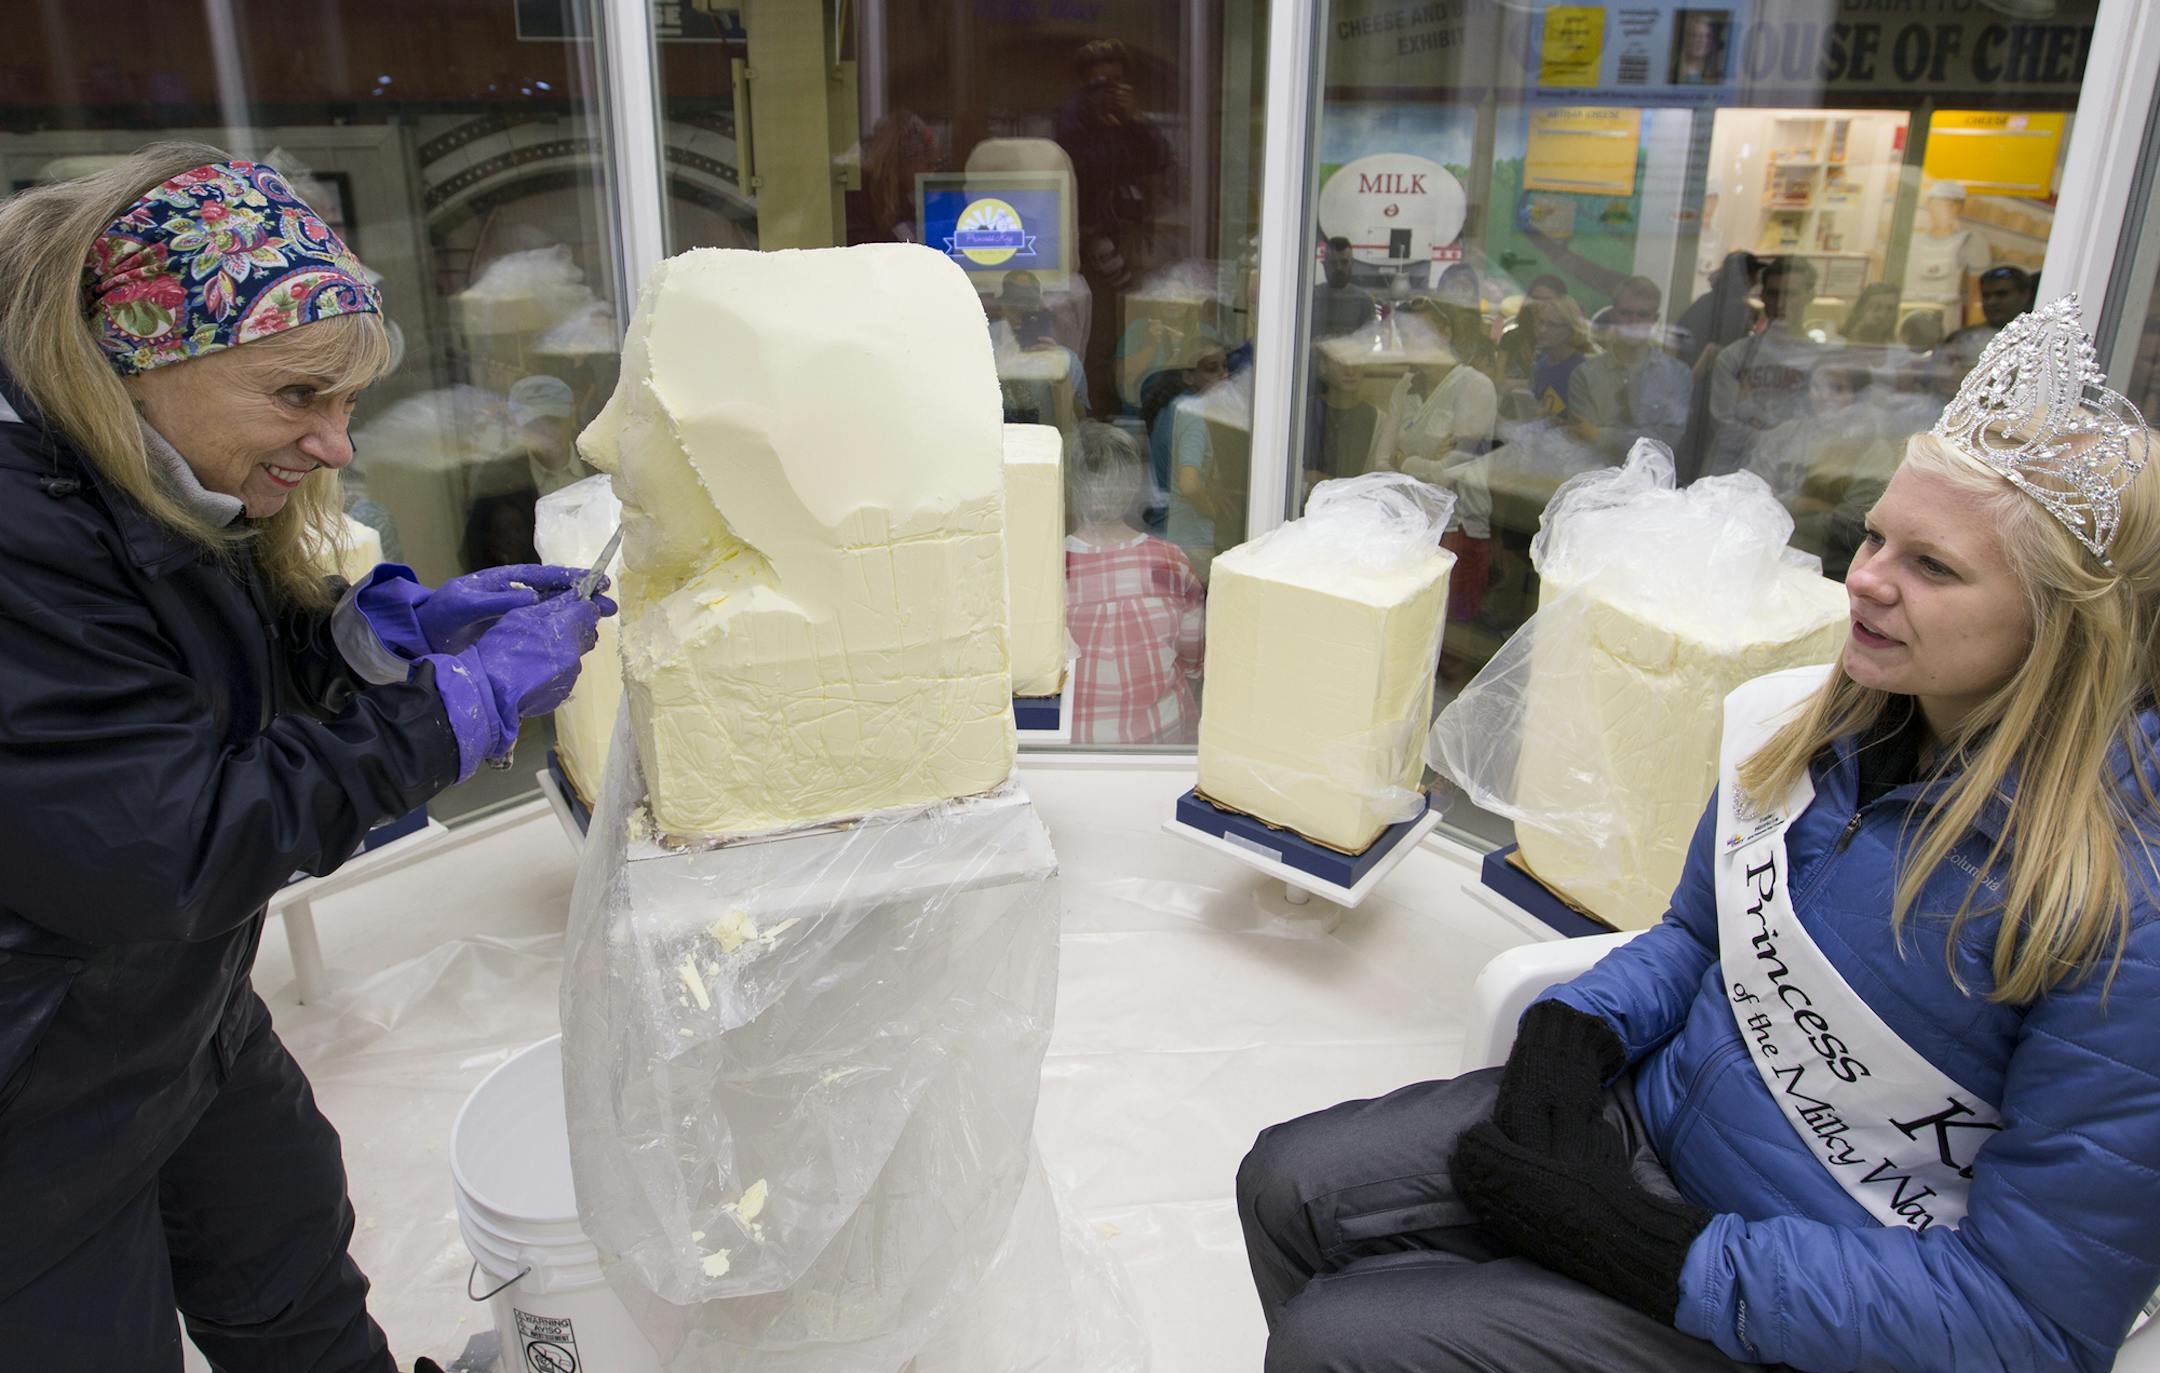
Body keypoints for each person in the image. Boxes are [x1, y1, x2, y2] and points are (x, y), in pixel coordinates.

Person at [1238, 296, 2160, 1373]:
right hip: (1655, 1124)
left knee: (1334, 1343)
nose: (1865, 576)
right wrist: (1570, 1035)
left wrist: (1656, 1253)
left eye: (1934, 566)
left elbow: (2032, 1326)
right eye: (1874, 533)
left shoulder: (2122, 910)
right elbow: (1695, 935)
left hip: (1813, 1293)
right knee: (1288, 1180)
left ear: (2064, 624)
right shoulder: (1820, 723)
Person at [0, 146, 614, 1372]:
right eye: (297, 397)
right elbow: (169, 844)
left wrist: (363, 638)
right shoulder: (19, 538)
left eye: (345, 402)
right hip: (35, 1084)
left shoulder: (137, 461)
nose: (335, 445)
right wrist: (450, 714)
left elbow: (175, 674)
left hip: (168, 1005)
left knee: (286, 1261)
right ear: (138, 356)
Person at [1063, 421, 1206, 745]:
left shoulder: (1050, 568)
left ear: (1068, 486)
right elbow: (1194, 659)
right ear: (1132, 487)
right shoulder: (1168, 562)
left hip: (1072, 747)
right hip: (1163, 743)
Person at [1056, 37, 1173, 409]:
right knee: (1100, 333)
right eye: (1098, 83)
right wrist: (1089, 118)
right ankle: (1098, 413)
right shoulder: (1073, 122)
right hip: (1092, 244)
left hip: (1130, 238)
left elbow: (1159, 160)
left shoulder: (1128, 124)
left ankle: (1130, 406)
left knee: (1138, 327)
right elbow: (1077, 174)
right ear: (1083, 85)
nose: (1108, 91)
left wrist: (1134, 119)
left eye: (1116, 82)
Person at [1704, 255, 1821, 477]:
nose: (1782, 302)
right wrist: (1779, 436)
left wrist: (1753, 418)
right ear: (1763, 296)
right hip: (1732, 472)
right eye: (1775, 293)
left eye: (1792, 294)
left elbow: (1819, 428)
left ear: (1809, 296)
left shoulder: (1821, 361)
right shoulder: (1734, 357)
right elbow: (1725, 427)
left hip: (1792, 473)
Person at [1568, 275, 1692, 461]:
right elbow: (1583, 440)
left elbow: (1667, 441)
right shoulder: (1585, 375)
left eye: (1642, 315)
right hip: (1595, 480)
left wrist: (1603, 436)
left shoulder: (1677, 374)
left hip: (1653, 482)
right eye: (1625, 313)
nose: (1633, 321)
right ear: (1613, 315)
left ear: (1654, 319)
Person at [1312, 236, 1375, 340]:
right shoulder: (1312, 298)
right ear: (1324, 265)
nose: (1338, 268)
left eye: (1344, 262)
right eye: (1333, 262)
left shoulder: (1364, 301)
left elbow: (1369, 341)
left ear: (1352, 264)